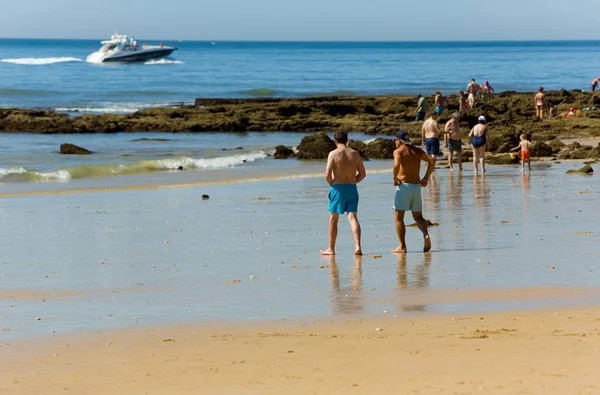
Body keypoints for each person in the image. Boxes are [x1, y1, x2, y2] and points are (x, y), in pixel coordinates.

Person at [320, 131, 366, 256]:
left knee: (333, 218)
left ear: (335, 141)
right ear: (347, 140)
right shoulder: (355, 154)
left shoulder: (333, 154)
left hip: (338, 188)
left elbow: (327, 175)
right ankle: (357, 246)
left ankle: (331, 248)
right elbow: (363, 174)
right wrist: (352, 182)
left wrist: (333, 185)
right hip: (352, 188)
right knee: (353, 218)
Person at [391, 131, 435, 253]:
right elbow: (431, 160)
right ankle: (425, 234)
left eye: (395, 140)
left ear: (399, 140)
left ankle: (402, 246)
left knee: (399, 218)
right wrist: (426, 177)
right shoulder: (417, 151)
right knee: (418, 217)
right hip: (416, 187)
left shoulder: (398, 151)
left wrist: (395, 178)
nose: (394, 142)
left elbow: (396, 165)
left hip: (404, 186)